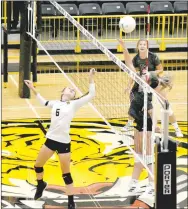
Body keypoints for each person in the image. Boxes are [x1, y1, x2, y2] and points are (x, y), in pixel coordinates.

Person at [24, 68, 96, 209]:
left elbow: (92, 94)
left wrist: (90, 77)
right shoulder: (55, 103)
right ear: (63, 92)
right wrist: (32, 87)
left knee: (66, 174)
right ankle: (41, 184)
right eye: (69, 89)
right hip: (50, 140)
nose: (72, 91)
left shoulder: (74, 104)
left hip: (63, 143)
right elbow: (42, 101)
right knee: (38, 166)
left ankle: (71, 201)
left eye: (73, 91)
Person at [120, 39, 183, 137]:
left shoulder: (153, 57)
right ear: (138, 46)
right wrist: (129, 86)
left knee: (166, 107)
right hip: (142, 85)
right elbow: (132, 72)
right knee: (137, 105)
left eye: (144, 44)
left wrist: (152, 74)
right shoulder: (136, 59)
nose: (142, 46)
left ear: (147, 46)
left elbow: (161, 70)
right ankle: (131, 124)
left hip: (154, 84)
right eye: (140, 44)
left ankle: (176, 128)